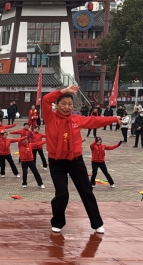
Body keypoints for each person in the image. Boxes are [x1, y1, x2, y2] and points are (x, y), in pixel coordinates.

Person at [42, 84, 120, 234]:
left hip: (75, 161)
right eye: (63, 104)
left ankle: (97, 223)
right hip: (56, 162)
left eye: (70, 104)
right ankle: (58, 221)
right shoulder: (50, 117)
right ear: (56, 105)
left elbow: (95, 121)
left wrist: (115, 118)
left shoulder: (76, 119)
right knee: (62, 194)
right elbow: (46, 99)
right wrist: (64, 91)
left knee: (86, 191)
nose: (66, 107)